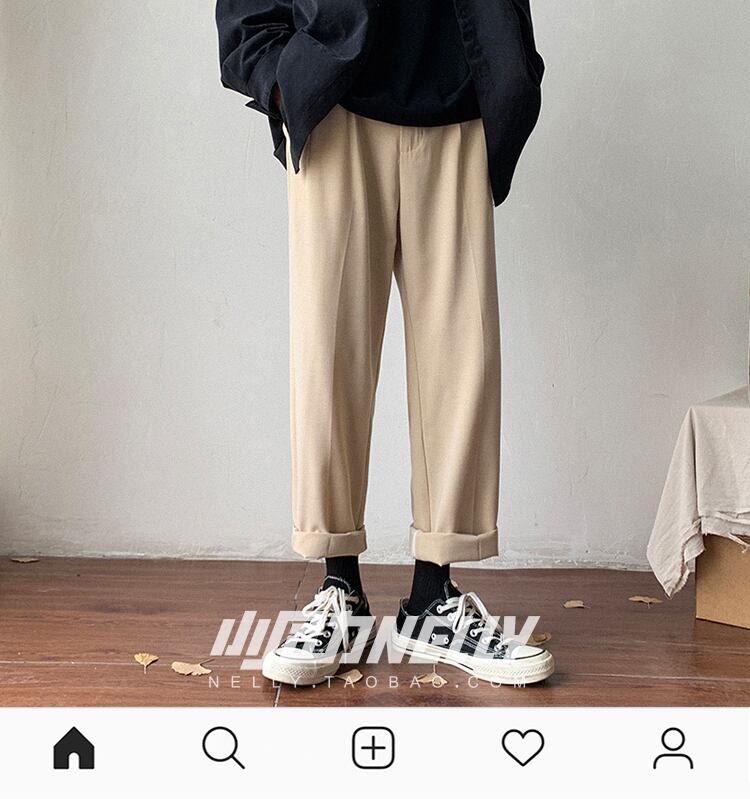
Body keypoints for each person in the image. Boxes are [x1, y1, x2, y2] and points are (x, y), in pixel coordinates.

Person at [215, 0, 554, 687]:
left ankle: (435, 597)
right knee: (328, 359)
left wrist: (511, 69)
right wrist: (280, 78)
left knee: (464, 361)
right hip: (336, 105)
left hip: (459, 106)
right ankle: (338, 587)